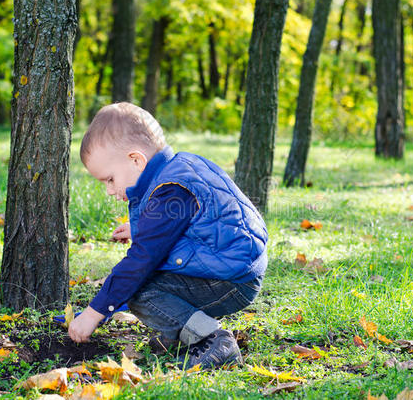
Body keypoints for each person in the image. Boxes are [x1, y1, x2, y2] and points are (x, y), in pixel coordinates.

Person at [68, 102, 268, 369]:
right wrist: (140, 228)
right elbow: (190, 225)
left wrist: (95, 312)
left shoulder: (170, 190)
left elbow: (141, 260)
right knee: (144, 281)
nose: (108, 190)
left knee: (139, 291)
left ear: (136, 160)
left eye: (110, 179)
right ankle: (182, 333)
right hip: (232, 265)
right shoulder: (180, 168)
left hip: (231, 281)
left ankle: (213, 339)